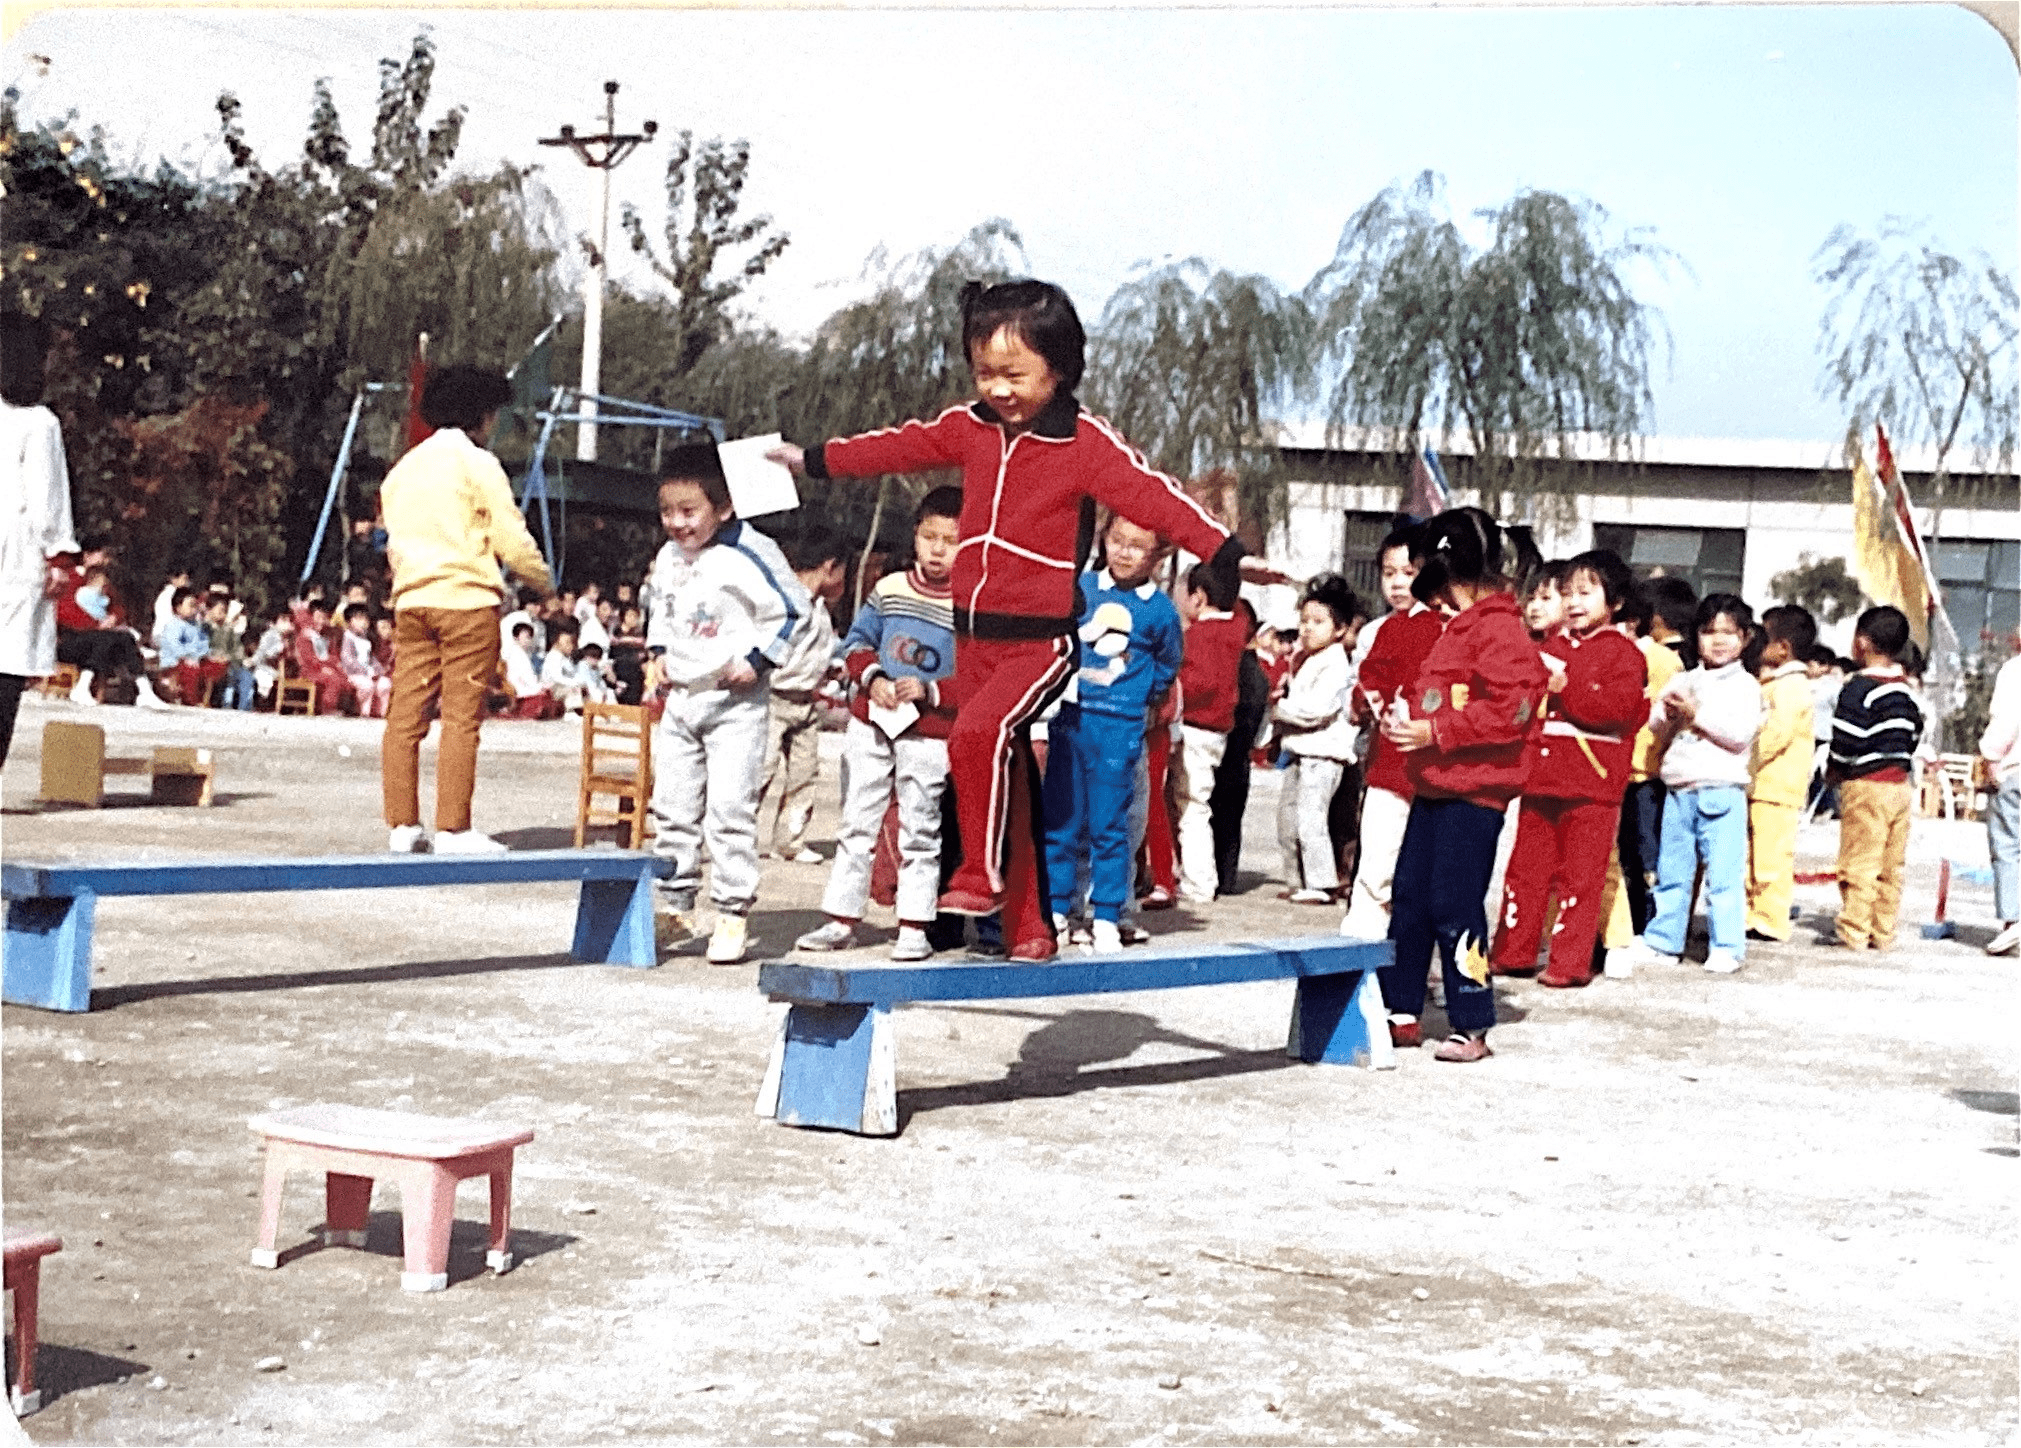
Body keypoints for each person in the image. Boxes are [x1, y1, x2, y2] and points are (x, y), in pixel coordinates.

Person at [769, 279, 1251, 961]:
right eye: (984, 372)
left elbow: (1156, 497)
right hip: (975, 636)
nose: (997, 388)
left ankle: (978, 873)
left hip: (1041, 642)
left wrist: (1226, 553)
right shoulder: (971, 428)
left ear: (1058, 368)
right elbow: (895, 448)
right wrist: (814, 460)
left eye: (1014, 374)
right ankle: (1030, 926)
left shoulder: (1084, 444)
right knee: (1013, 778)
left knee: (975, 733)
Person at [1374, 508, 1546, 1061]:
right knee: (1410, 900)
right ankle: (1399, 1008)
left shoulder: (1500, 630)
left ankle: (1471, 1019)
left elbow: (1513, 710)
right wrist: (1408, 722)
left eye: (1439, 589)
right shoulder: (1456, 631)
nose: (1435, 603)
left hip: (1475, 795)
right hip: (1434, 786)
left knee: (1455, 902)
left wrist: (1436, 731)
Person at [643, 442, 809, 966]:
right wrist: (657, 655)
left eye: (689, 512)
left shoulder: (751, 550)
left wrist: (758, 660)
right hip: (681, 701)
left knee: (729, 810)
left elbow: (793, 611)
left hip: (735, 705)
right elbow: (661, 610)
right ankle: (674, 904)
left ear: (724, 508)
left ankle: (732, 912)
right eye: (667, 511)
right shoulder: (669, 556)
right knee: (670, 806)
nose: (677, 523)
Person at [379, 364, 553, 854]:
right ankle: (454, 827)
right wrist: (544, 580)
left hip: (412, 601)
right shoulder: (477, 463)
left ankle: (402, 825)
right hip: (468, 601)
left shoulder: (402, 471)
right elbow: (511, 536)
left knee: (405, 716)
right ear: (482, 413)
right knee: (461, 717)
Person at [798, 488, 962, 960]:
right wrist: (872, 678)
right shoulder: (889, 588)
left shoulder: (971, 603)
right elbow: (857, 640)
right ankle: (841, 918)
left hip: (930, 732)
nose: (936, 548)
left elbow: (975, 673)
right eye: (928, 536)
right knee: (857, 822)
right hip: (872, 723)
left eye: (949, 540)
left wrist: (931, 691)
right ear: (914, 536)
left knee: (921, 827)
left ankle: (914, 925)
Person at [1489, 550, 1647, 987]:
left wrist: (1566, 687)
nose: (1573, 602)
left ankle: (1570, 962)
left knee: (1581, 877)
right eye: (1567, 593)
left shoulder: (1624, 654)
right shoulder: (1549, 648)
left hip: (1592, 784)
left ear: (1614, 602)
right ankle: (1514, 951)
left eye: (1585, 592)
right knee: (1525, 871)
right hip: (1541, 779)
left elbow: (1616, 711)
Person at [1039, 513, 1183, 952]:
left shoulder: (1160, 610)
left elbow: (1167, 664)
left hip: (1120, 726)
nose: (1123, 552)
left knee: (1110, 824)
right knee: (1062, 818)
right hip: (1072, 717)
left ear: (1158, 557)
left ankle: (1106, 913)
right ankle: (1058, 908)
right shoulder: (1079, 590)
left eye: (1137, 546)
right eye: (1116, 540)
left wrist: (1139, 700)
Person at [1632, 595, 1763, 974]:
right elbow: (1655, 724)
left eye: (1727, 633)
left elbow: (1739, 735)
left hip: (1722, 790)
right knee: (1673, 871)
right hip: (1680, 790)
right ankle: (1664, 940)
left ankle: (1727, 947)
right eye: (1709, 632)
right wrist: (1669, 713)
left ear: (1745, 638)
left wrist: (1697, 715)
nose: (1717, 640)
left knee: (1723, 876)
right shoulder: (1683, 679)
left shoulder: (1745, 685)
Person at [1341, 523, 1442, 941]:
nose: (1398, 583)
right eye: (1389, 572)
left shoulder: (1447, 626)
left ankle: (1422, 959)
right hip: (1388, 763)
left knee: (1419, 869)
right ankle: (1364, 941)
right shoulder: (1382, 629)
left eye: (1409, 572)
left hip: (1430, 767)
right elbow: (1367, 680)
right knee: (1377, 858)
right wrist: (1363, 702)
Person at [0, 311, 81, 763]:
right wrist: (59, 556)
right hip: (15, 551)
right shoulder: (38, 422)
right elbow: (46, 495)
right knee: (7, 664)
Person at [1827, 606, 1925, 952]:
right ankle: (1882, 932)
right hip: (1900, 785)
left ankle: (1853, 930)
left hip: (1866, 784)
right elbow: (1914, 733)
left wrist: (1834, 767)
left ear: (1862, 642)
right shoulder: (1908, 690)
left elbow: (1847, 739)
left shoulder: (1858, 688)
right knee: (1890, 864)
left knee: (1859, 861)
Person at [759, 529, 845, 864]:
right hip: (772, 696)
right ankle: (732, 834)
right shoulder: (780, 596)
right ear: (829, 566)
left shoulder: (822, 609)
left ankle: (789, 840)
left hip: (806, 699)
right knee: (760, 772)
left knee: (804, 773)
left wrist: (830, 671)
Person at [1273, 574, 1359, 904]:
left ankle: (1322, 882)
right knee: (1288, 819)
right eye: (1304, 620)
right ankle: (1298, 878)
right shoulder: (1308, 660)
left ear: (1339, 629)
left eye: (1318, 622)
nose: (1308, 628)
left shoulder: (1336, 662)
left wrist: (1280, 708)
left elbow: (1316, 711)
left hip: (1323, 754)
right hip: (1299, 750)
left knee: (1311, 818)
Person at [1175, 562, 1249, 904]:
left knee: (1192, 807)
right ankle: (1197, 878)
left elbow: (1195, 685)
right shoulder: (1235, 630)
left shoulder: (1195, 639)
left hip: (1193, 729)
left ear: (1198, 598)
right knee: (1198, 804)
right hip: (1219, 732)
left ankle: (1198, 882)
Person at [1744, 605, 1818, 942]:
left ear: (1783, 647)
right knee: (1752, 855)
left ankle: (1770, 919)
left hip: (1776, 787)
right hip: (1762, 785)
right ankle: (1749, 914)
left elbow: (1777, 733)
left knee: (1770, 857)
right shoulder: (1775, 682)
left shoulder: (1791, 686)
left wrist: (1746, 760)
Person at [1209, 599, 1272, 897]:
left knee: (1217, 815)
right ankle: (1227, 875)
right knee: (1230, 819)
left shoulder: (1237, 669)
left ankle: (1217, 876)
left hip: (1226, 751)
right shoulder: (1256, 671)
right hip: (1241, 757)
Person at [1979, 641, 2021, 957]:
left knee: (2008, 844)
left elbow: (2006, 721)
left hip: (2016, 770)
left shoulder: (2014, 670)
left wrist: (1991, 758)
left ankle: (2013, 920)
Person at [158, 587, 222, 705]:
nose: (194, 609)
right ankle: (190, 700)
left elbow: (203, 643)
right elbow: (175, 647)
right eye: (190, 605)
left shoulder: (196, 626)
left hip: (195, 660)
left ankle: (209, 698)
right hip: (175, 662)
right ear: (178, 607)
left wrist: (207, 654)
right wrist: (190, 655)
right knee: (190, 671)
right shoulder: (174, 625)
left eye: (195, 606)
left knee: (215, 666)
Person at [291, 599, 354, 715]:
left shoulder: (328, 636)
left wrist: (336, 665)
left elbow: (333, 655)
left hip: (327, 667)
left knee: (346, 679)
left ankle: (346, 708)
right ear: (311, 617)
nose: (321, 621)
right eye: (318, 617)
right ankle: (327, 708)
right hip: (310, 670)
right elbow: (308, 658)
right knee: (332, 679)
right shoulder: (305, 636)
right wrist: (322, 667)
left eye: (324, 618)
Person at [339, 603, 392, 719]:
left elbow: (371, 658)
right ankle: (363, 711)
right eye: (358, 619)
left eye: (365, 619)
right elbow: (348, 660)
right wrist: (365, 671)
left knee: (385, 684)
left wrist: (378, 669)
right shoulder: (348, 637)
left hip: (369, 672)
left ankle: (383, 712)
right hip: (353, 673)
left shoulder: (366, 638)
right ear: (349, 622)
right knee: (366, 686)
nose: (363, 622)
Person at [203, 595, 256, 710]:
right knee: (228, 675)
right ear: (210, 610)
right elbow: (207, 646)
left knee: (246, 676)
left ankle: (244, 710)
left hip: (230, 662)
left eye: (225, 611)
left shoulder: (227, 628)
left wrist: (241, 659)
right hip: (211, 661)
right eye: (220, 610)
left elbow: (236, 648)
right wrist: (215, 655)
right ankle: (225, 705)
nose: (223, 614)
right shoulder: (206, 627)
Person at [499, 621, 554, 719]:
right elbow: (525, 677)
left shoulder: (522, 653)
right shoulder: (517, 653)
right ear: (516, 637)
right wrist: (538, 687)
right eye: (525, 637)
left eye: (529, 637)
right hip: (519, 687)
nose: (527, 640)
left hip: (524, 685)